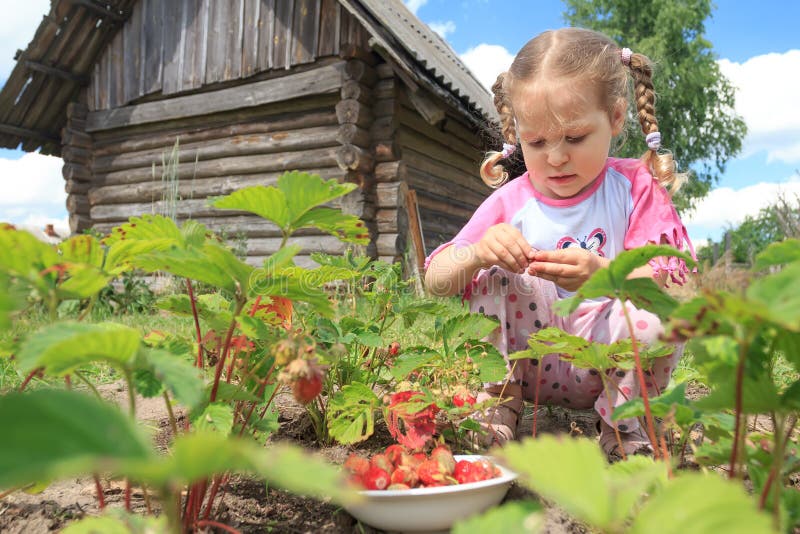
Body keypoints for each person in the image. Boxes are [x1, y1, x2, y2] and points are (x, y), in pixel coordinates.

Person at [423, 28, 695, 457]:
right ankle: (498, 408)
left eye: (574, 138)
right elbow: (435, 280)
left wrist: (606, 274)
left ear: (617, 118)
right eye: (536, 142)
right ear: (518, 133)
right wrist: (475, 254)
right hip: (530, 362)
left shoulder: (634, 187)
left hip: (608, 362)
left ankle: (624, 427)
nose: (555, 157)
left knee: (664, 319)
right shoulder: (511, 200)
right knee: (492, 273)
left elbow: (673, 285)